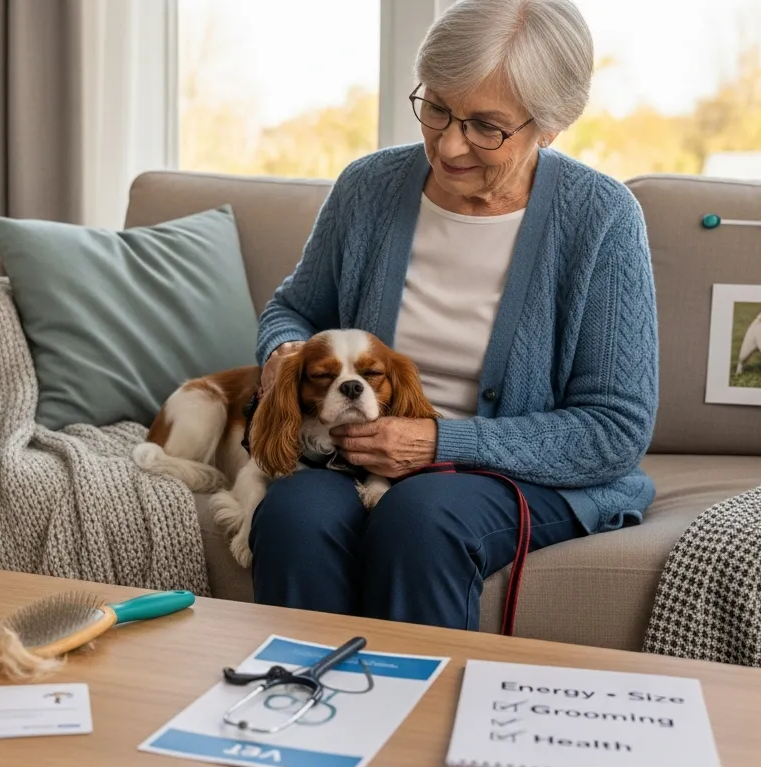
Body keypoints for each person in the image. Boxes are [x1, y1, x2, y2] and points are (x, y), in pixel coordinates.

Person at [249, 0, 658, 631]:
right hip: (356, 449)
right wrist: (283, 353)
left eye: (485, 126)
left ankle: (425, 724)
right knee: (293, 516)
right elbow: (295, 310)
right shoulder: (368, 188)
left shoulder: (601, 218)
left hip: (509, 470)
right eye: (436, 107)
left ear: (548, 125)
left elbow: (613, 429)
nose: (448, 143)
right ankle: (302, 715)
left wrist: (440, 443)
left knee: (420, 520)